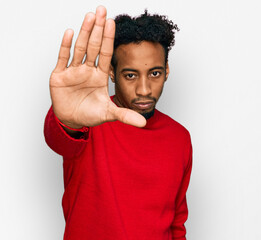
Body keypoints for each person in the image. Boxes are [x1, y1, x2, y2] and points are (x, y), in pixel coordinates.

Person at [44, 5, 193, 240]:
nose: (144, 90)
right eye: (130, 75)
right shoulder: (88, 120)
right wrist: (66, 119)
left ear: (166, 70)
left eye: (154, 73)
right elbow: (59, 139)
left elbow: (176, 223)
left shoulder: (180, 137)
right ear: (112, 73)